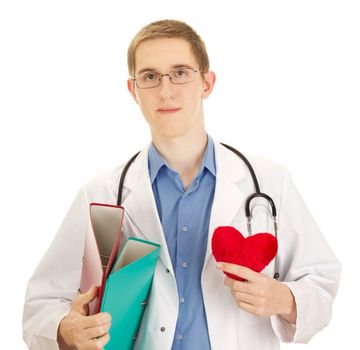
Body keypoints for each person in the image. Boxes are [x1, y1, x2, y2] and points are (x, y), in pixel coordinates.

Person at [23, 19, 341, 350]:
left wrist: (286, 299)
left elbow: (321, 281)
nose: (165, 90)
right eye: (149, 77)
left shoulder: (270, 181)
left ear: (207, 82)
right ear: (133, 90)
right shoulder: (101, 194)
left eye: (180, 72)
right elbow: (40, 305)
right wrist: (66, 328)